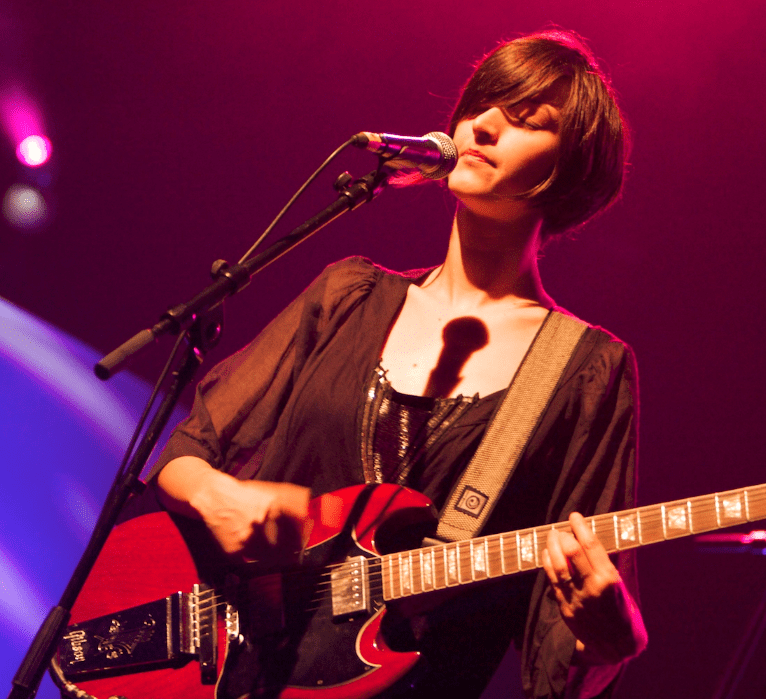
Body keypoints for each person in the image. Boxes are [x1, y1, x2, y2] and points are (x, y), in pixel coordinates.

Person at [152, 29, 646, 699]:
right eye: (484, 103)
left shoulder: (586, 371)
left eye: (530, 119)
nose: (487, 123)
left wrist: (604, 645)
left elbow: (560, 653)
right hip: (228, 674)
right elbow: (186, 450)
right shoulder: (348, 294)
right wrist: (221, 494)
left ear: (572, 169)